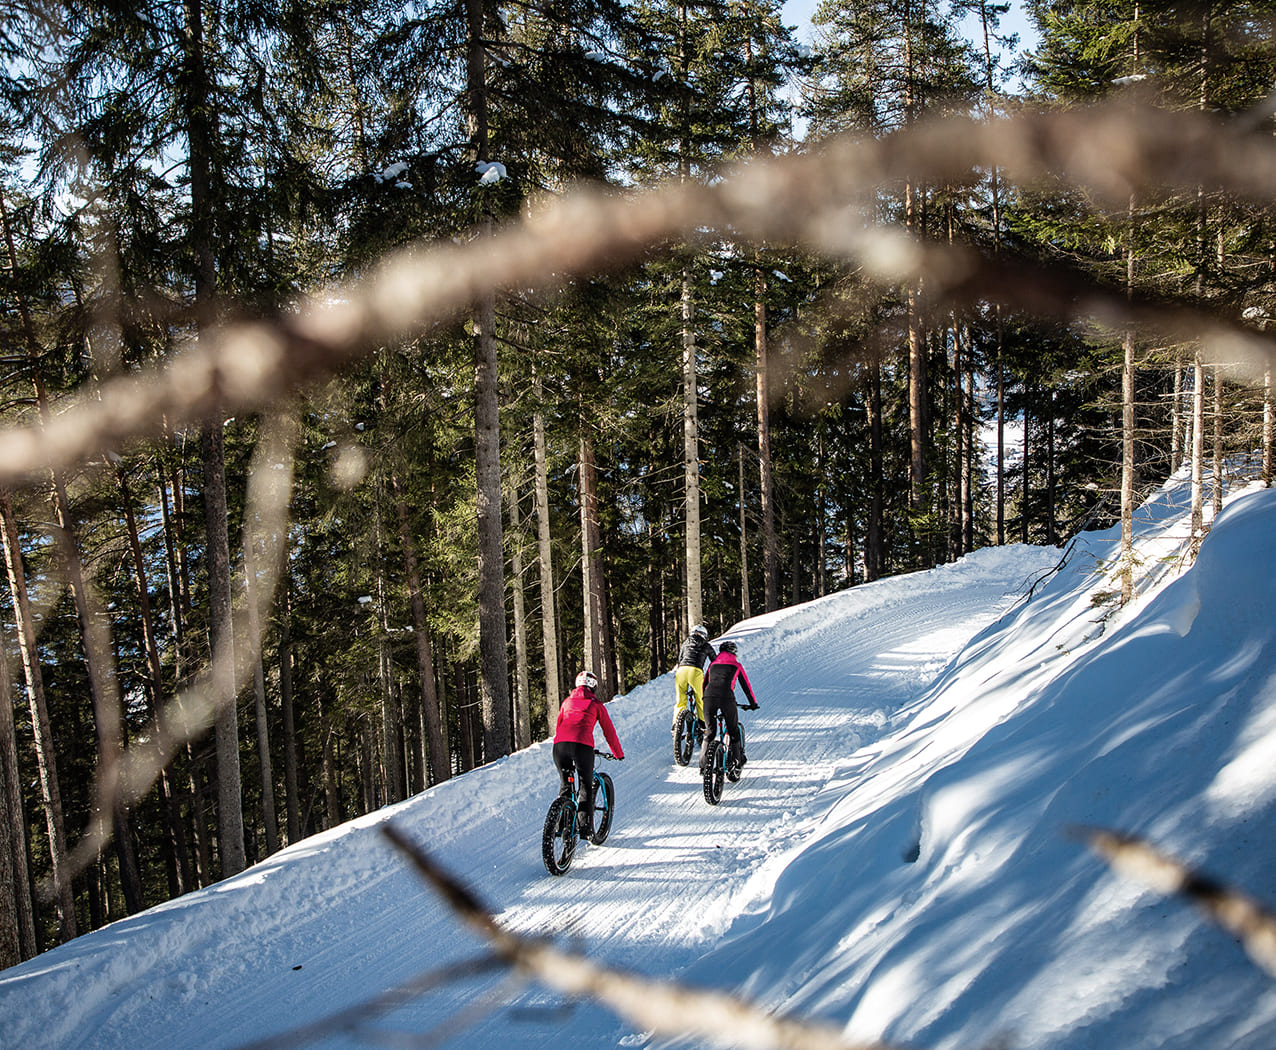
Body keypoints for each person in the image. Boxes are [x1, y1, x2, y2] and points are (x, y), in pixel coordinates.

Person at [553, 670, 624, 841]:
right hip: (582, 747)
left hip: (559, 747)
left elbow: (559, 725)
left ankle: (561, 825)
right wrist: (618, 754)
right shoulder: (596, 704)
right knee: (585, 785)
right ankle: (585, 830)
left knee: (566, 784)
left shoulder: (567, 702)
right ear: (594, 686)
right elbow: (609, 731)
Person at [699, 640, 758, 775]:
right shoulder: (736, 665)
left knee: (710, 733)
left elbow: (704, 684)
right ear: (734, 653)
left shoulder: (712, 665)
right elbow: (746, 686)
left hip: (708, 698)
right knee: (733, 732)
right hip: (726, 698)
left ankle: (703, 767)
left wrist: (705, 699)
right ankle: (737, 763)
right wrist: (753, 703)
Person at [672, 624, 716, 739]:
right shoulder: (706, 645)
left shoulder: (685, 643)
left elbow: (680, 658)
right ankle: (702, 725)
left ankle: (676, 726)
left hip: (681, 671)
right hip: (695, 672)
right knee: (701, 699)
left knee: (680, 701)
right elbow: (715, 662)